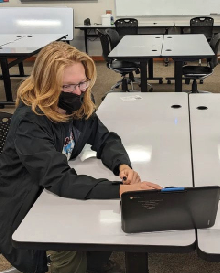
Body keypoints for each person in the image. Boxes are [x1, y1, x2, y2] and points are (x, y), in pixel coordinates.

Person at [0, 42, 162, 273]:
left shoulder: (78, 102)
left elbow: (104, 138)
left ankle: (94, 263)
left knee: (103, 217)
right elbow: (59, 179)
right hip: (26, 203)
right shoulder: (30, 122)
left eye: (82, 82)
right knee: (76, 240)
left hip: (50, 193)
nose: (78, 91)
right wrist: (121, 190)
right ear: (48, 86)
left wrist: (122, 165)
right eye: (68, 86)